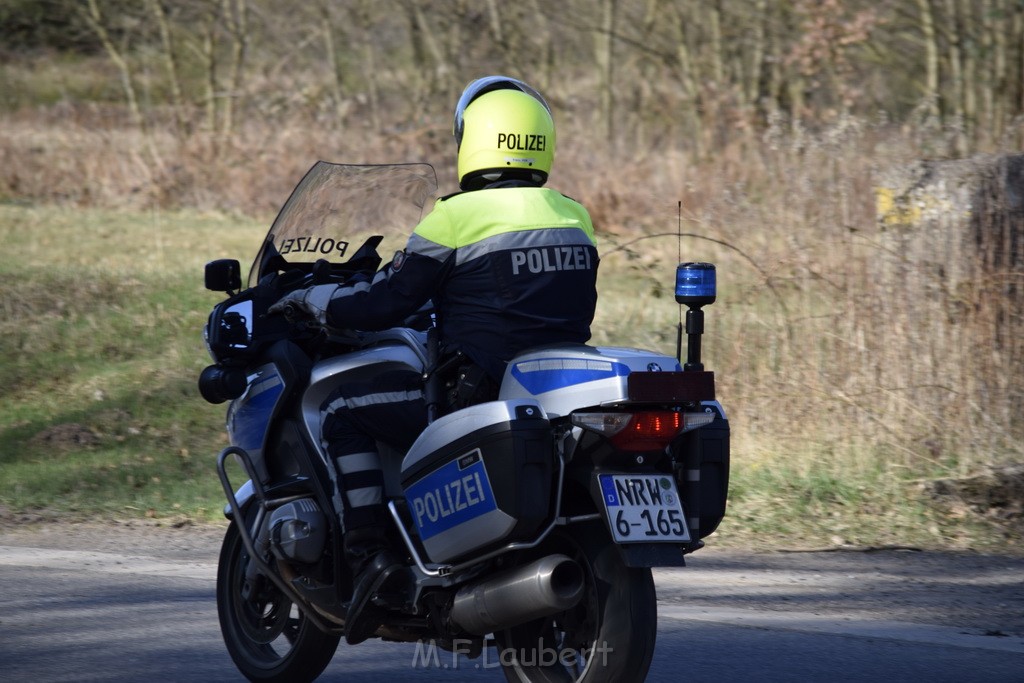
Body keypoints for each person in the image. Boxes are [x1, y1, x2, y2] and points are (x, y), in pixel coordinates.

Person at [269, 75, 600, 645]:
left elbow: (387, 302)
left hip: (473, 393)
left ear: (473, 138)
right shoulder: (575, 214)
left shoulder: (455, 218)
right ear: (538, 138)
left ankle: (370, 553)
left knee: (344, 409)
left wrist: (315, 301)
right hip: (549, 387)